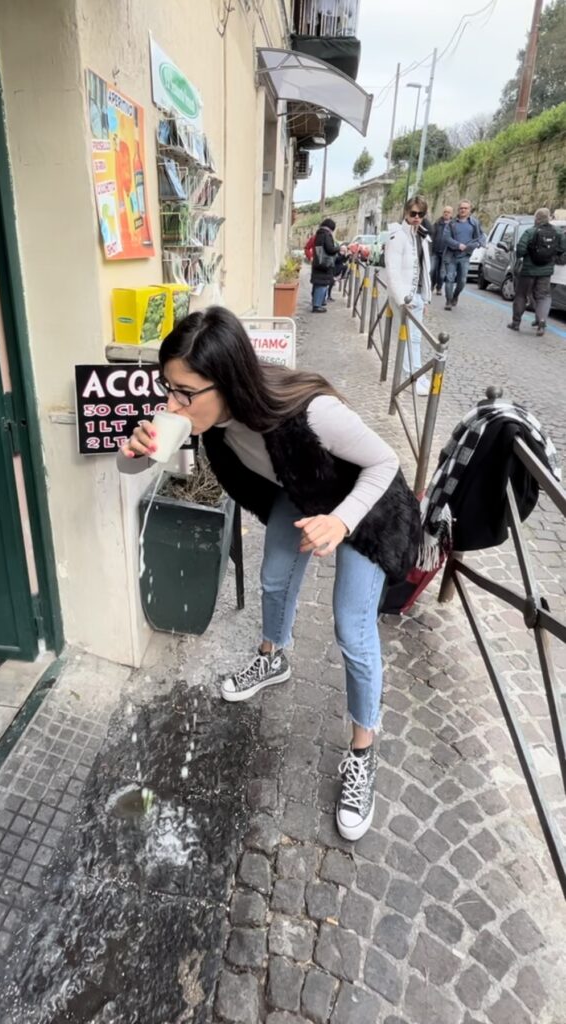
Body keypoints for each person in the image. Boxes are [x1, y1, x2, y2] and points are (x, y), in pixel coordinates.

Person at [121, 307, 421, 841]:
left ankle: (362, 752)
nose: (171, 403)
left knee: (351, 626)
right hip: (301, 490)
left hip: (368, 509)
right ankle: (272, 658)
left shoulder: (313, 413)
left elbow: (385, 464)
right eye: (167, 387)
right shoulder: (208, 417)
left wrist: (340, 521)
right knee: (274, 577)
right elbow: (138, 465)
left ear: (228, 381)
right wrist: (133, 454)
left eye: (184, 392)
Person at [383, 195, 432, 396]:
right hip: (405, 297)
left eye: (421, 214)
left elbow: (424, 269)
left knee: (416, 338)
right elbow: (392, 270)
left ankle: (417, 375)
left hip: (418, 295)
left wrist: (426, 297)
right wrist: (403, 299)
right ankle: (410, 378)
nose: (417, 217)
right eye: (413, 213)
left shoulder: (422, 236)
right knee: (407, 337)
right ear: (406, 213)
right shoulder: (397, 236)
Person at [508, 208, 566, 337]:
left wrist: (528, 254)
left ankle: (516, 323)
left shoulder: (530, 231)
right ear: (549, 218)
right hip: (546, 271)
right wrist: (552, 257)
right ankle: (542, 322)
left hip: (528, 270)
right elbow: (563, 248)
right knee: (544, 296)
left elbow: (520, 250)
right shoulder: (558, 232)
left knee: (521, 295)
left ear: (536, 219)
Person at [442, 199, 486, 310]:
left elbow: (481, 237)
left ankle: (455, 296)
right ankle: (448, 301)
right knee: (449, 278)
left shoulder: (474, 223)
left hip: (465, 256)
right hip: (451, 256)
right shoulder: (452, 223)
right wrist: (458, 245)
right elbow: (446, 238)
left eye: (465, 208)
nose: (463, 210)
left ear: (469, 210)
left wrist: (478, 244)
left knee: (462, 281)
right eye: (461, 208)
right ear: (458, 209)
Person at [310, 218, 338, 312]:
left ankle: (317, 303)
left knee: (317, 283)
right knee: (322, 284)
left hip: (318, 262)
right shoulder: (326, 235)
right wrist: (338, 248)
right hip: (324, 264)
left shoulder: (319, 234)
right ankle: (317, 306)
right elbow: (330, 249)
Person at [430, 206, 453, 295]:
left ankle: (439, 287)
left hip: (446, 253)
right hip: (435, 251)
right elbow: (431, 235)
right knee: (432, 269)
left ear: (451, 214)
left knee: (442, 273)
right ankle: (431, 285)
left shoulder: (453, 225)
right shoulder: (437, 223)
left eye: (448, 212)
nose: (446, 213)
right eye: (445, 211)